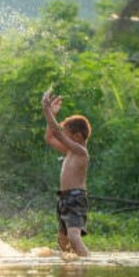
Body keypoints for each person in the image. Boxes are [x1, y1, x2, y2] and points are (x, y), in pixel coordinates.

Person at [42, 88, 90, 257]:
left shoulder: (80, 151)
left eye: (67, 135)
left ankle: (87, 263)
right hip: (65, 197)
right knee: (63, 242)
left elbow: (56, 132)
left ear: (77, 136)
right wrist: (52, 114)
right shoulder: (70, 151)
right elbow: (50, 137)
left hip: (75, 198)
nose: (64, 137)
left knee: (74, 238)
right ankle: (69, 272)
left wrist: (46, 109)